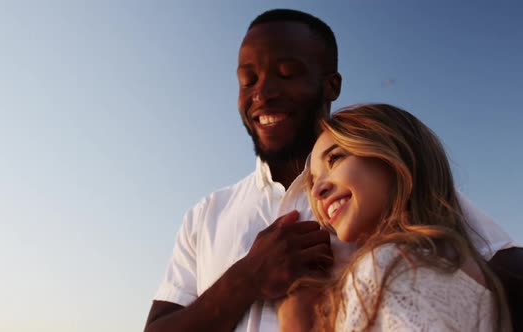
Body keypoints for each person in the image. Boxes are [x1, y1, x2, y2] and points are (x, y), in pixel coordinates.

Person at [144, 9, 522, 332]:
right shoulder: (206, 216)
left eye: (286, 72)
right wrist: (246, 279)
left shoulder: (385, 185)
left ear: (331, 85)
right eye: (248, 80)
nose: (263, 92)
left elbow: (507, 275)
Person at [277, 104, 511, 331]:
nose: (317, 190)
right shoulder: (463, 269)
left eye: (335, 158)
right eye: (313, 180)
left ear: (394, 158)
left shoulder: (386, 267)